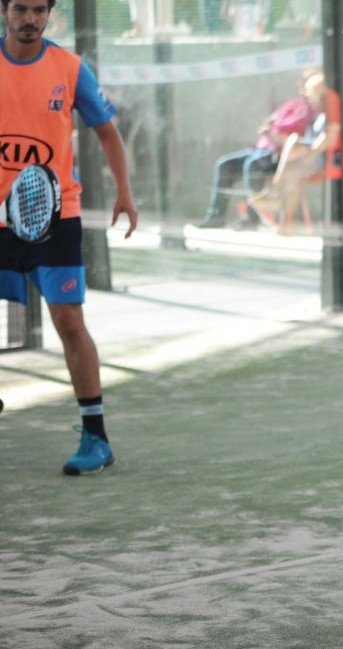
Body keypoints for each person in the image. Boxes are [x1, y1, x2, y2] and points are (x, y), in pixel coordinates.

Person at [0, 0, 139, 475]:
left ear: (49, 15)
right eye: (21, 8)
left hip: (55, 216)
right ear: (4, 10)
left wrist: (124, 192)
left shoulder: (70, 68)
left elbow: (107, 133)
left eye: (39, 10)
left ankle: (97, 439)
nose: (30, 19)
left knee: (69, 325)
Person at [200, 67, 320, 229]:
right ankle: (216, 216)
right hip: (262, 148)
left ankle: (252, 217)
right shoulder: (292, 105)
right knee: (225, 164)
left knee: (252, 165)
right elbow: (271, 120)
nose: (302, 88)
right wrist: (269, 129)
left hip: (280, 154)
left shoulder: (312, 111)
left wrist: (279, 137)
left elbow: (304, 140)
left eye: (305, 84)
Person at [248, 72, 340, 235]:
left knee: (292, 144)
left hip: (322, 159)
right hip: (307, 157)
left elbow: (329, 138)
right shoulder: (319, 115)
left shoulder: (329, 111)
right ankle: (286, 221)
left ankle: (275, 189)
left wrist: (311, 154)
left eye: (312, 95)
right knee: (292, 172)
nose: (309, 99)